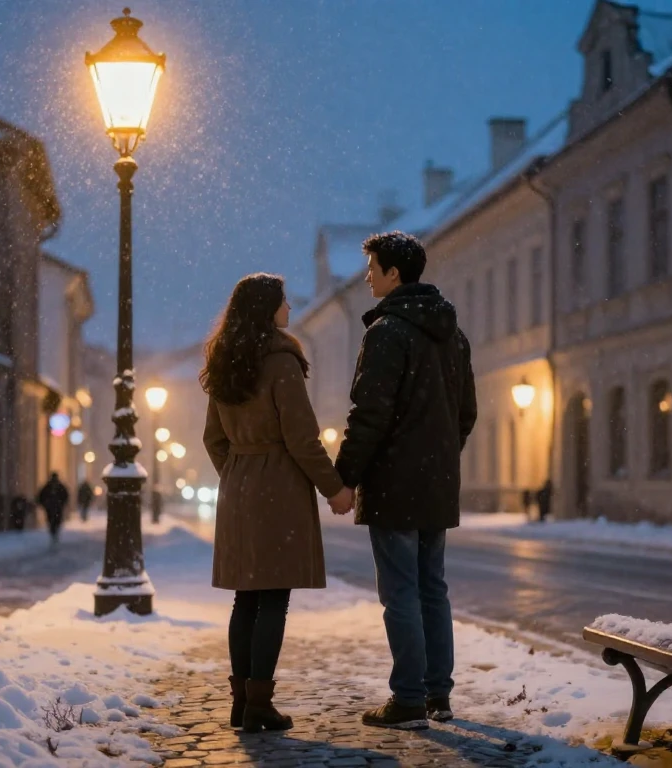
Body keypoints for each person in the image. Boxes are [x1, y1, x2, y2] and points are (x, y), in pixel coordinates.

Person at [335, 231, 476, 731]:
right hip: (436, 482)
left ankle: (409, 699)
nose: (367, 277)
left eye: (372, 268)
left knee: (401, 593)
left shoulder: (386, 332)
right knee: (433, 589)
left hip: (394, 484)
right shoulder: (453, 334)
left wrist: (344, 477)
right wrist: (438, 457)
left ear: (393, 273)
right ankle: (438, 694)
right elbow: (466, 414)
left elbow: (369, 414)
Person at [201, 273, 353, 734]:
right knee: (273, 599)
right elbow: (302, 437)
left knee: (245, 599)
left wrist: (239, 472)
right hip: (278, 488)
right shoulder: (281, 360)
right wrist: (335, 488)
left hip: (238, 487)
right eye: (283, 301)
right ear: (267, 308)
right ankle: (259, 704)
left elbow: (213, 439)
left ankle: (241, 702)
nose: (289, 308)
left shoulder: (224, 360)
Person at [36, 472, 69, 549]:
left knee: (53, 521)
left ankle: (54, 533)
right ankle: (54, 534)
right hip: (53, 508)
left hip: (54, 508)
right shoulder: (53, 486)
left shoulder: (51, 486)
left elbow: (65, 496)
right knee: (54, 521)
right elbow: (41, 496)